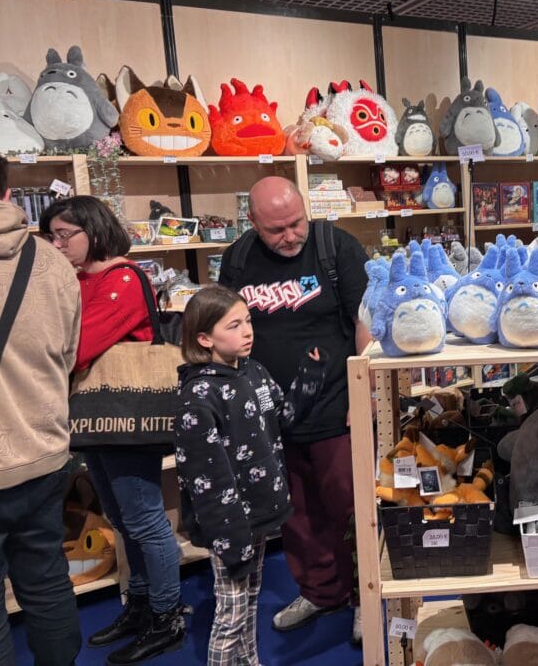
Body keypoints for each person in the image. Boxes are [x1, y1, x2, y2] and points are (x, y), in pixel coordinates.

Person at [218, 177, 369, 639]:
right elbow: (225, 323)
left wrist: (364, 399)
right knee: (294, 514)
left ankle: (367, 593)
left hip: (336, 408)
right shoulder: (239, 257)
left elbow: (366, 319)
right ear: (253, 223)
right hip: (268, 417)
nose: (289, 236)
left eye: (295, 223)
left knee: (353, 508)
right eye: (276, 230)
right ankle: (322, 592)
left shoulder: (334, 246)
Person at [39, 195, 185, 665]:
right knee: (124, 519)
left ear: (94, 232)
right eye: (52, 235)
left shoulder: (121, 278)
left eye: (65, 235)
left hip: (126, 416)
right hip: (97, 417)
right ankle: (142, 604)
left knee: (144, 520)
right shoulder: (81, 279)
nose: (57, 244)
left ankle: (167, 616)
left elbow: (77, 346)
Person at [175, 285, 326, 666]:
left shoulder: (253, 372)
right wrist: (231, 539)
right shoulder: (199, 396)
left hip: (259, 513)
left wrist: (309, 376)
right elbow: (207, 482)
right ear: (204, 338)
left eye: (248, 321)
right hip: (231, 526)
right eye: (234, 325)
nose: (248, 331)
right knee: (230, 615)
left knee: (248, 603)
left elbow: (283, 417)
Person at [0, 156, 83, 666]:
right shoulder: (52, 262)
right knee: (48, 581)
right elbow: (68, 354)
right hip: (44, 447)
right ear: (8, 192)